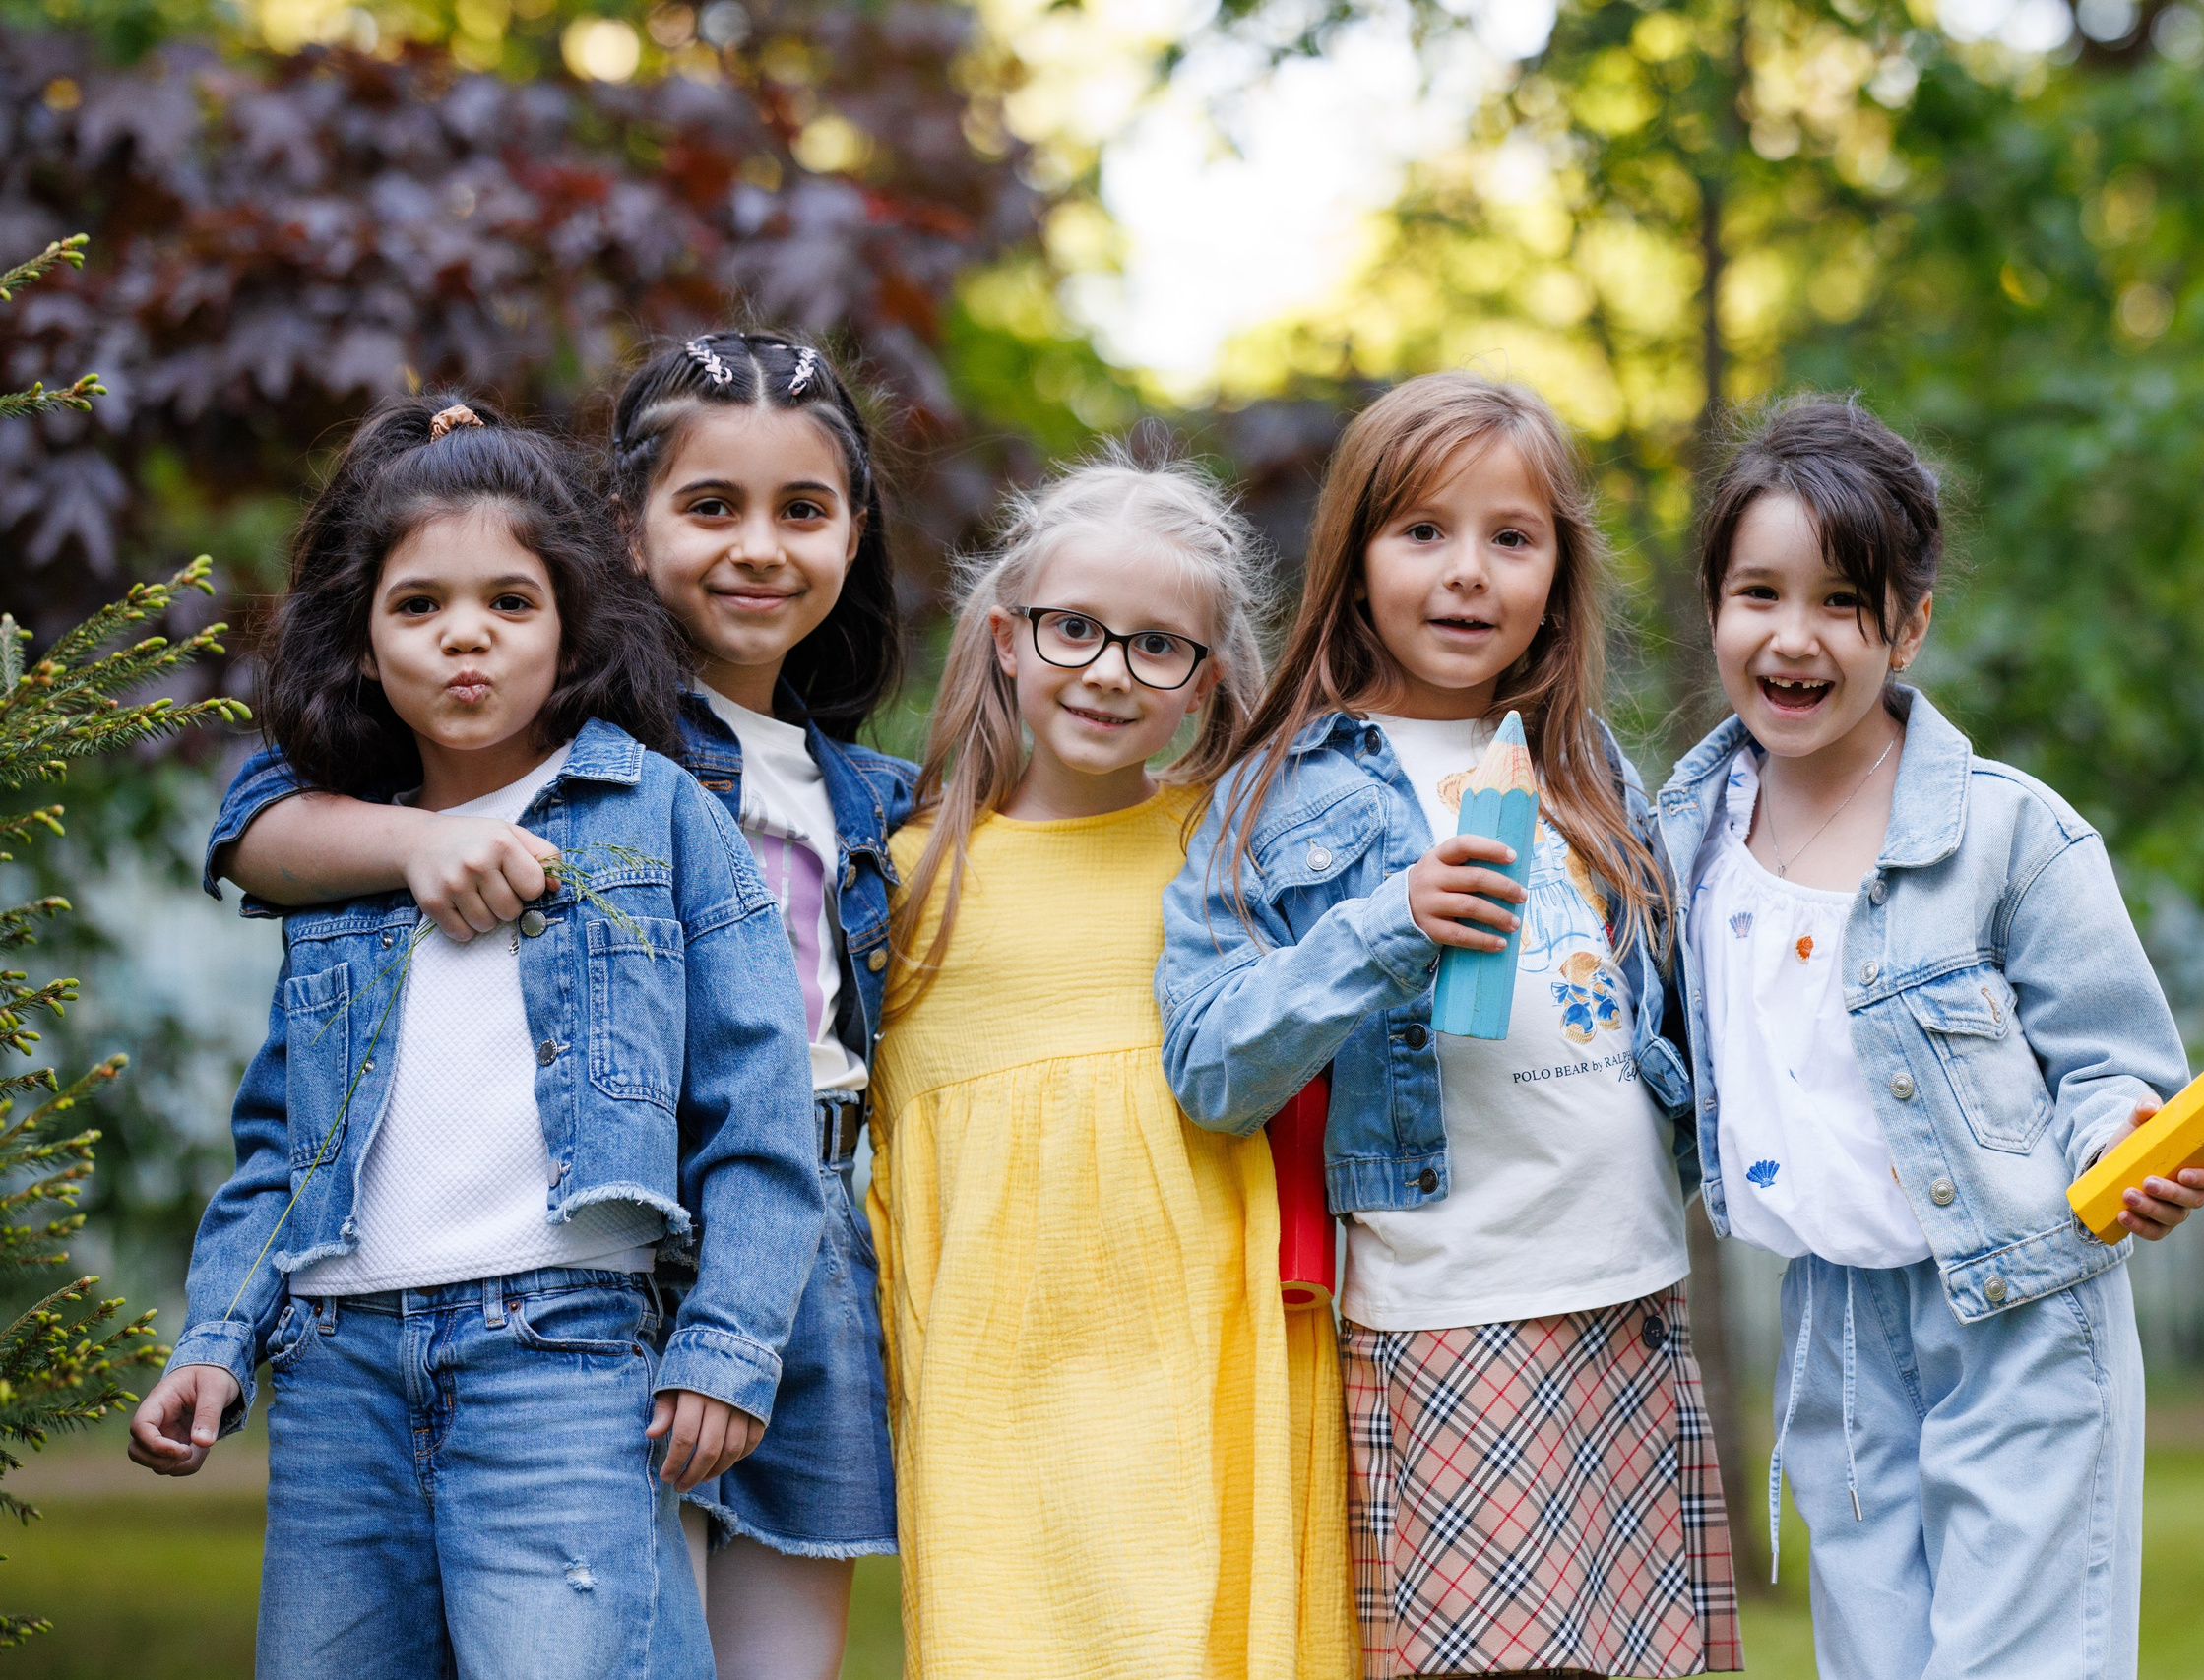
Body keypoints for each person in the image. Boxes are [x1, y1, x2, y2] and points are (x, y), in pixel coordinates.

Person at [191, 332, 912, 1680]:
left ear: (856, 535)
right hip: (606, 1242)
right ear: (618, 540)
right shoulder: (577, 749)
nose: (758, 545)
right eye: (710, 505)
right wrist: (445, 477)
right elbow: (259, 824)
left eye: (802, 510)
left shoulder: (874, 792)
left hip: (790, 1233)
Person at [1160, 372, 1740, 1680]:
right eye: (1422, 532)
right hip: (1450, 1312)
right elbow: (1208, 1063)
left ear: (1557, 571)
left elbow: (1672, 1024)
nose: (1467, 573)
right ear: (1354, 557)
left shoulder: (1587, 760)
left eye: (1511, 537)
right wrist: (1386, 922)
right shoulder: (1276, 788)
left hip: (1633, 1299)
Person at [1660, 395, 2204, 1680]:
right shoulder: (1682, 833)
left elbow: (2111, 1060)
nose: (1795, 638)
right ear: (1714, 605)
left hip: (2017, 1308)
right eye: (1760, 592)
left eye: (1845, 603)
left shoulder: (2012, 836)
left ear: (1910, 623)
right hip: (1834, 1324)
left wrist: (2129, 1135)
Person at [873, 452, 1352, 1680]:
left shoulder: (1236, 854)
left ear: (1205, 685)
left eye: (1156, 646)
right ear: (1004, 639)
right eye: (1073, 628)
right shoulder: (911, 877)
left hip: (1207, 1362)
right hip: (995, 1385)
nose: (1106, 670)